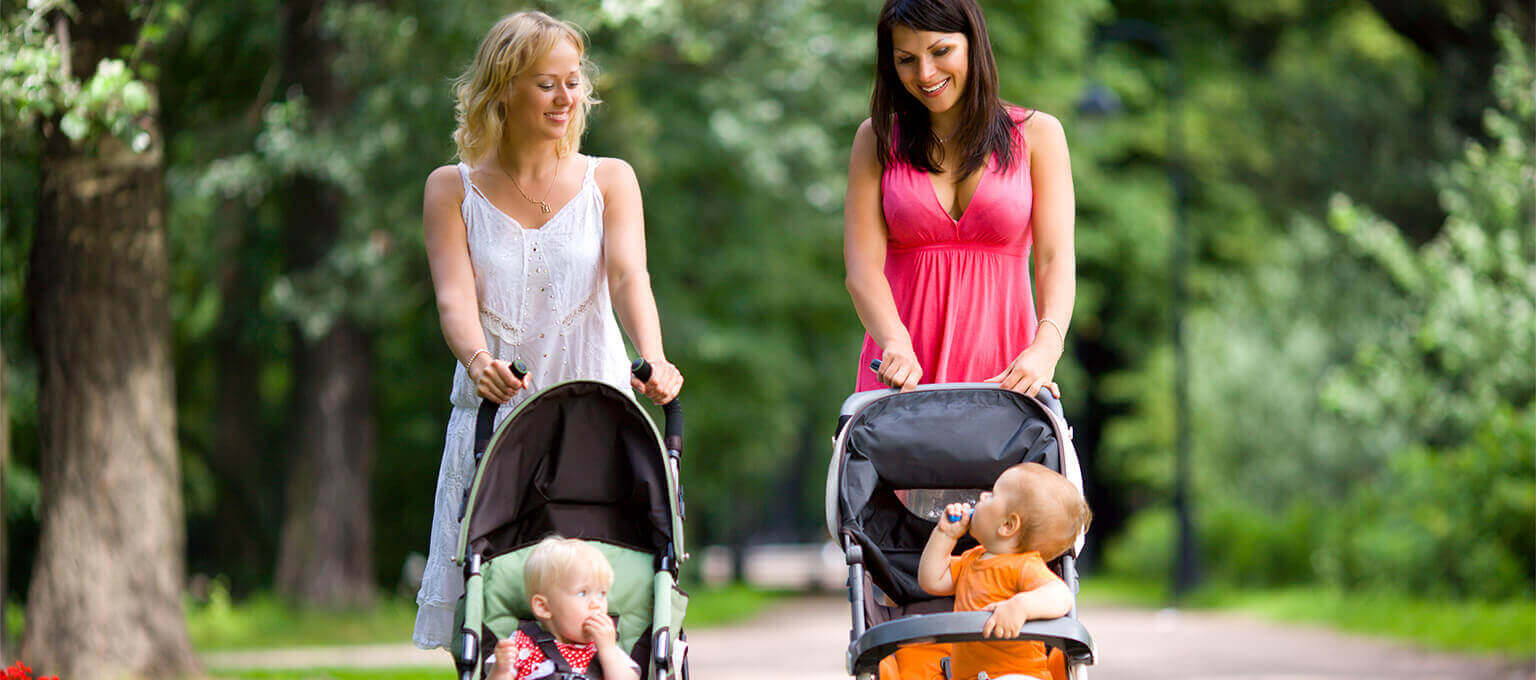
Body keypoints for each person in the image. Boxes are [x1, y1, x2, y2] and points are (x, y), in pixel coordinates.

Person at [414, 11, 683, 650]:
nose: (568, 98)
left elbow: (628, 278)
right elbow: (454, 299)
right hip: (496, 415)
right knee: (494, 597)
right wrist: (476, 359)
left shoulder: (609, 179)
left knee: (594, 595)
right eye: (547, 84)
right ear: (503, 87)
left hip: (592, 410)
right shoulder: (451, 189)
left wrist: (655, 356)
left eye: (573, 82)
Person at [844, 0, 1076, 399]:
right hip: (903, 376)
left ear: (973, 43)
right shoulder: (876, 139)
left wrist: (1045, 351)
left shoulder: (1040, 134)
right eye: (906, 60)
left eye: (940, 51)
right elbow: (862, 270)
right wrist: (894, 341)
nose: (925, 73)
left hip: (1008, 375)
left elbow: (1055, 259)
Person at [915, 463, 1091, 680]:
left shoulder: (1024, 565)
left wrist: (1021, 606)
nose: (982, 497)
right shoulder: (971, 559)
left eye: (992, 496)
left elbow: (1062, 595)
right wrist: (945, 534)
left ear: (1007, 525)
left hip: (1020, 674)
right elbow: (931, 580)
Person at [488, 536, 641, 680]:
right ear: (544, 607)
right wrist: (501, 670)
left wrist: (608, 650)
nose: (596, 604)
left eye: (602, 594)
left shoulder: (605, 648)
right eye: (582, 593)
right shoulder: (521, 645)